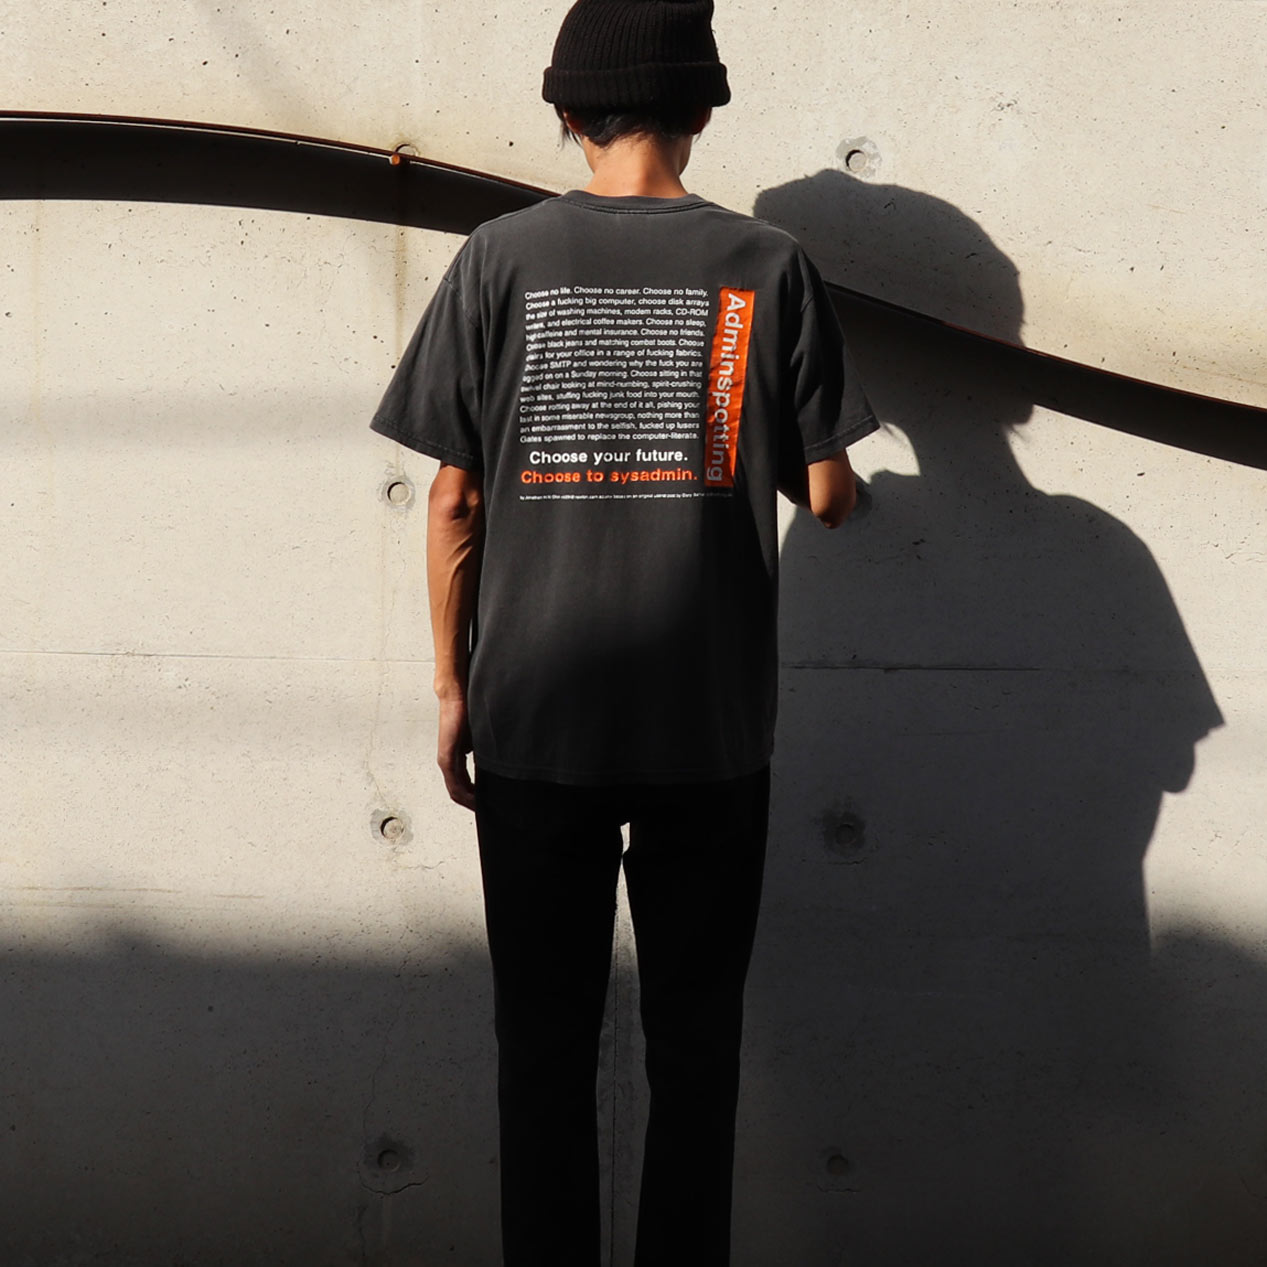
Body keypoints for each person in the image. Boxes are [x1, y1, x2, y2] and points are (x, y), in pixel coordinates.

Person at [370, 1, 876, 1261]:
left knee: (540, 1048)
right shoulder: (766, 265)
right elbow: (824, 494)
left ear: (564, 113)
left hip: (535, 719)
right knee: (696, 1051)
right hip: (708, 729)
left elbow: (454, 497)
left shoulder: (498, 259)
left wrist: (452, 686)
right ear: (701, 110)